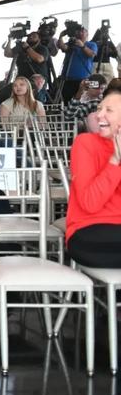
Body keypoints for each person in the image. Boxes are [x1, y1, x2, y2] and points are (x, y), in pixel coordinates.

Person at [65, 93, 121, 268]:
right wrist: (114, 161)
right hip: (88, 232)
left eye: (108, 110)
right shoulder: (85, 143)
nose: (98, 115)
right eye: (99, 109)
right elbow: (90, 203)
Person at [57, 26, 98, 102]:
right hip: (67, 79)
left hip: (83, 79)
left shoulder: (91, 44)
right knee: (66, 101)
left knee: (82, 101)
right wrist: (61, 36)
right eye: (79, 31)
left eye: (83, 31)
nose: (80, 33)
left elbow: (92, 54)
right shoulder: (71, 44)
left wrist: (82, 46)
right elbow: (62, 47)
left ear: (87, 34)